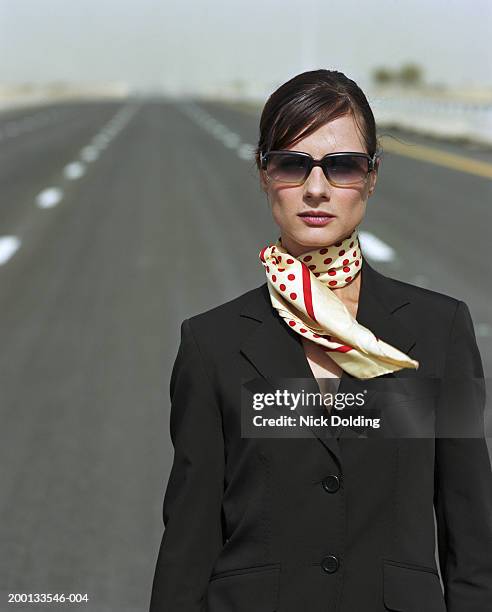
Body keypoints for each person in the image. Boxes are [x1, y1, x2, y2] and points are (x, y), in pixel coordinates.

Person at [149, 69, 492, 611]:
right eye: (291, 164)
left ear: (372, 176)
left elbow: (472, 540)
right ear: (263, 174)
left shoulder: (438, 332)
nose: (316, 188)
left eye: (343, 166)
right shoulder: (210, 344)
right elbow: (188, 544)